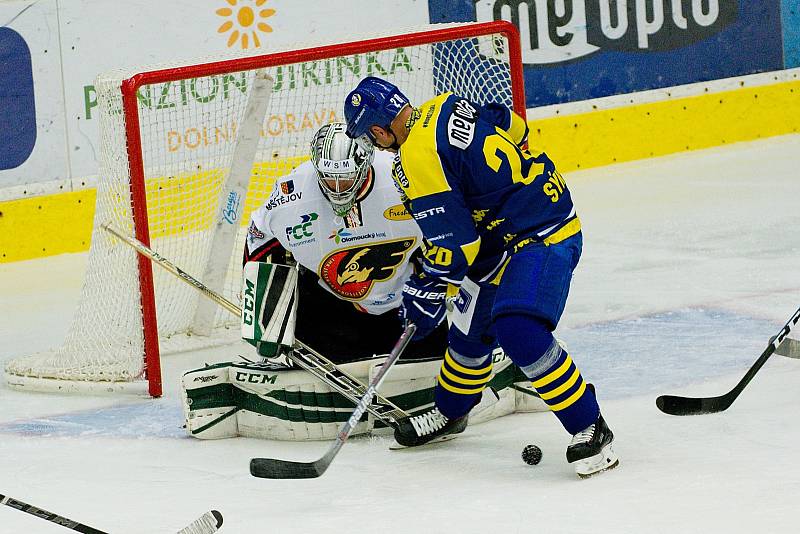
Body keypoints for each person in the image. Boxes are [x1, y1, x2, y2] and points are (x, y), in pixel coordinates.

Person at [343, 77, 618, 477]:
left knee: (518, 328)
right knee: (470, 334)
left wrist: (429, 288)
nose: (374, 145)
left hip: (540, 234)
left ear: (380, 129)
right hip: (508, 230)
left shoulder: (415, 160)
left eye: (370, 137)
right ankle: (451, 413)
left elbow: (460, 247)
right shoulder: (442, 104)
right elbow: (508, 123)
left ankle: (591, 427)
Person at [243, 122, 447, 363]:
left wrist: (438, 285)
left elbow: (449, 228)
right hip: (332, 311)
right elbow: (259, 234)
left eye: (346, 178)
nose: (338, 189)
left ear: (364, 167)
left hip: (407, 305)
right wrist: (263, 321)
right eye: (330, 178)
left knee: (437, 356)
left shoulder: (403, 179)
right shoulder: (291, 197)